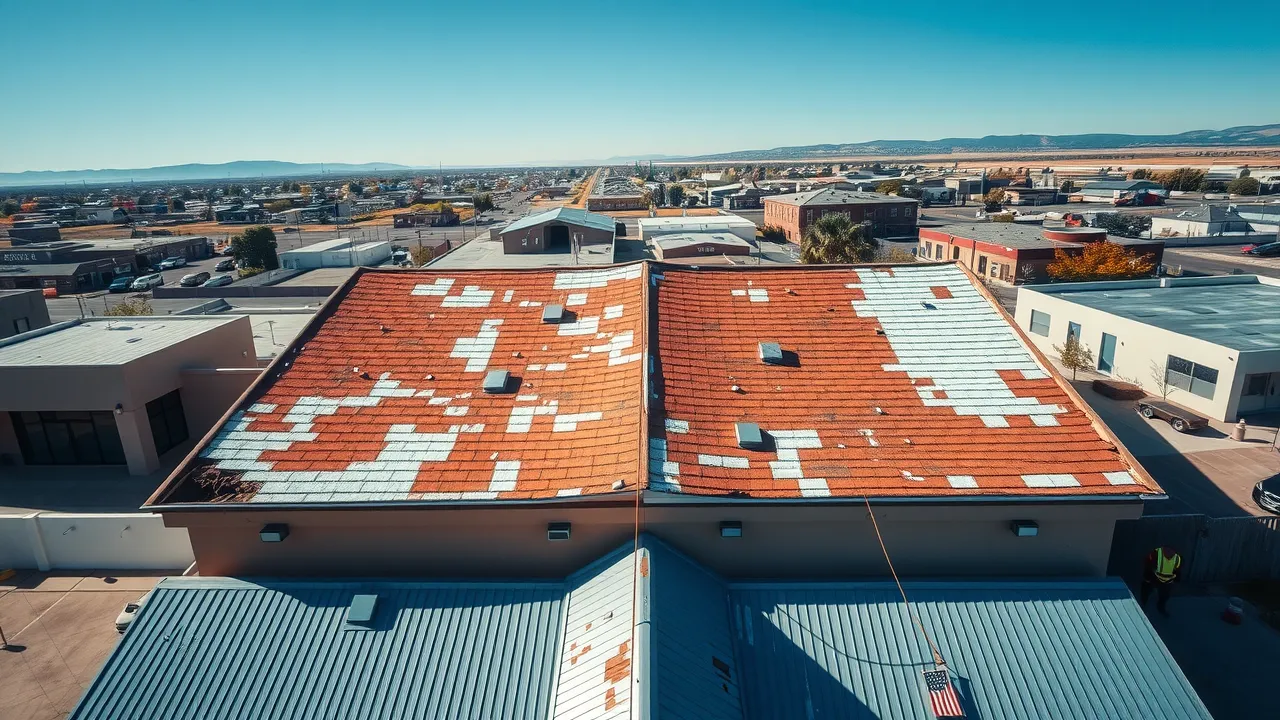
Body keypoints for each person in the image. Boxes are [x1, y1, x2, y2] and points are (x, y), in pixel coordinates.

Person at [1140, 546, 1181, 616]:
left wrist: (1176, 579)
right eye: (1167, 549)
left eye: (1171, 551)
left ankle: (1160, 607)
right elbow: (1147, 563)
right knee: (1145, 589)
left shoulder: (1177, 558)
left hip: (1167, 582)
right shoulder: (1155, 554)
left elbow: (1178, 571)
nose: (1169, 552)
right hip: (1155, 578)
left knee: (1164, 596)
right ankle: (1141, 606)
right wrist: (1147, 577)